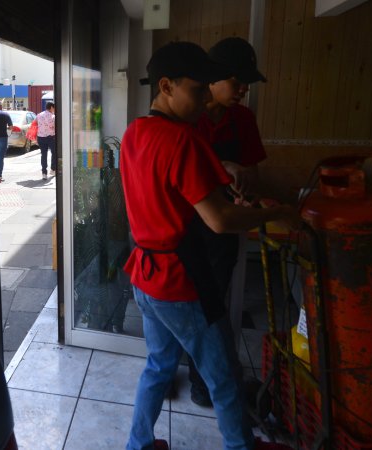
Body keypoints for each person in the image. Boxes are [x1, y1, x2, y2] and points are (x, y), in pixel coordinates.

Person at [121, 41, 298, 450]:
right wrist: (275, 213)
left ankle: (138, 445)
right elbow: (219, 219)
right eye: (198, 90)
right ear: (166, 86)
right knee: (224, 378)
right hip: (181, 283)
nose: (204, 100)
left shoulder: (135, 132)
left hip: (145, 277)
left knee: (159, 365)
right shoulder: (182, 140)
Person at [186, 36, 269, 408]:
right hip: (188, 225)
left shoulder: (243, 120)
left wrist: (244, 183)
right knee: (189, 304)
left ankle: (206, 379)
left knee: (212, 304)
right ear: (214, 79)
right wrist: (223, 168)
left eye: (246, 83)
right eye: (237, 82)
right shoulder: (188, 118)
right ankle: (197, 378)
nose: (243, 90)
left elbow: (251, 166)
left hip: (225, 226)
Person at [0, 101, 13, 184]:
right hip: (2, 137)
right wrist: (7, 128)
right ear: (1, 106)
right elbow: (11, 127)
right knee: (0, 157)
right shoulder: (5, 114)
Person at [35, 101, 56, 177]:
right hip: (51, 137)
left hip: (40, 137)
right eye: (53, 108)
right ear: (51, 107)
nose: (54, 109)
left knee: (43, 154)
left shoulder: (39, 115)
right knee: (54, 152)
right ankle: (53, 169)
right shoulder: (53, 116)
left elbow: (35, 124)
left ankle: (44, 173)